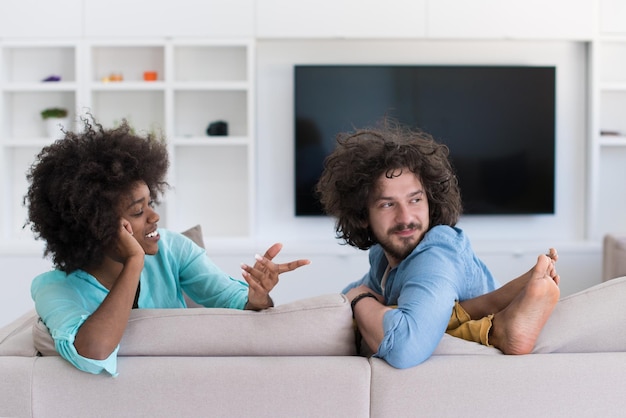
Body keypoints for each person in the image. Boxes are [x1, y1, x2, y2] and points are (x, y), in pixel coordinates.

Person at [24, 117, 310, 376]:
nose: (154, 216)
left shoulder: (172, 248)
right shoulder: (54, 288)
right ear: (95, 225)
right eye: (138, 211)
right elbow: (93, 352)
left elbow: (237, 304)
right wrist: (134, 261)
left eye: (151, 203)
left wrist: (259, 298)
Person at [315, 120, 560, 369]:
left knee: (396, 315)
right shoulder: (381, 256)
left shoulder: (437, 252)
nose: (406, 218)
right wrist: (271, 302)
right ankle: (498, 307)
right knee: (408, 312)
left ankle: (499, 326)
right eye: (388, 204)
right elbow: (339, 305)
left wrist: (361, 299)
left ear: (431, 202)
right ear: (362, 214)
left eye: (415, 200)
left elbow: (404, 348)